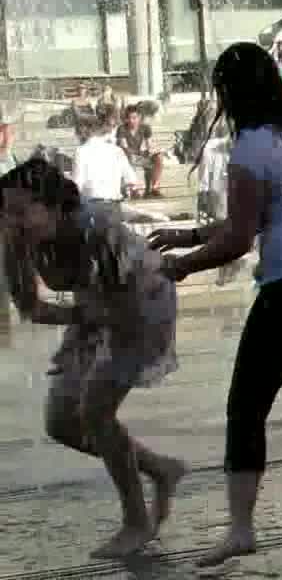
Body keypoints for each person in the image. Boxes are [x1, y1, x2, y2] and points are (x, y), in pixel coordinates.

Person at [148, 43, 282, 564]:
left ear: (231, 93)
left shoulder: (250, 145)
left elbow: (239, 240)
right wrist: (188, 235)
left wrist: (182, 267)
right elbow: (270, 215)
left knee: (246, 405)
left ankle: (242, 529)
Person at [0, 158, 185, 558]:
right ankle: (160, 469)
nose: (12, 221)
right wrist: (81, 318)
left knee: (95, 411)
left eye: (21, 211)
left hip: (142, 302)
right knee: (61, 422)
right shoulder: (13, 238)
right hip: (93, 308)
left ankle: (136, 522)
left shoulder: (97, 227)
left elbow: (124, 303)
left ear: (55, 205)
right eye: (5, 212)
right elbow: (31, 307)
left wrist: (94, 323)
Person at [74, 104, 141, 204]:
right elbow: (132, 181)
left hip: (92, 204)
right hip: (115, 205)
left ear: (81, 133)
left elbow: (77, 184)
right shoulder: (117, 150)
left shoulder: (81, 151)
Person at [117, 103, 166, 198]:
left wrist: (155, 151)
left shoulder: (145, 127)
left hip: (139, 155)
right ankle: (134, 189)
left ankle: (154, 188)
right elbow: (124, 147)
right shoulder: (122, 128)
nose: (131, 121)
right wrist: (137, 154)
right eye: (129, 118)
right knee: (129, 157)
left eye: (134, 118)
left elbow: (149, 145)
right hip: (126, 157)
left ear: (139, 117)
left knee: (158, 157)